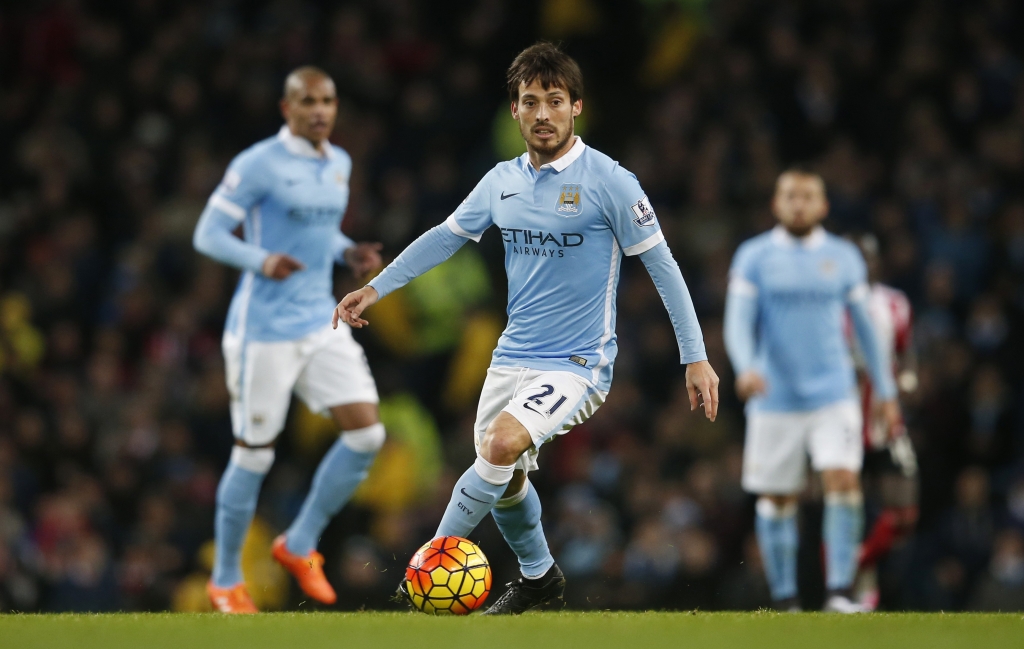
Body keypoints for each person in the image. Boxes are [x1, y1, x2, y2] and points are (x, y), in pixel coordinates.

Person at [334, 43, 720, 615]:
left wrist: (695, 355)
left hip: (578, 363)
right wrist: (377, 287)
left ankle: (426, 570)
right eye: (530, 101)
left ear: (576, 108)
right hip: (510, 357)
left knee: (501, 445)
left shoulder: (611, 181)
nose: (543, 113)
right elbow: (445, 237)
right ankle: (540, 579)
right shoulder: (500, 182)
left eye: (555, 101)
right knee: (505, 476)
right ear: (513, 111)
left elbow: (662, 265)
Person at [193, 66, 385, 613]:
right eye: (307, 101)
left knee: (367, 436)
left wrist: (347, 251)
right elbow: (206, 233)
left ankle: (299, 544)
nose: (320, 110)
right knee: (254, 456)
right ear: (287, 109)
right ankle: (226, 580)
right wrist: (262, 260)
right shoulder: (258, 164)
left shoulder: (339, 163)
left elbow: (320, 235)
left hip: (318, 323)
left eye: (327, 100)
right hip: (263, 334)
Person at [723, 169, 900, 613]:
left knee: (843, 481)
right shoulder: (754, 256)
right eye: (789, 196)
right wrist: (745, 368)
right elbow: (737, 321)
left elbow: (866, 329)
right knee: (777, 498)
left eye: (807, 196)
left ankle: (839, 593)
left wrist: (886, 390)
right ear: (775, 204)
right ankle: (785, 599)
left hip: (833, 394)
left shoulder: (844, 258)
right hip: (774, 397)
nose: (798, 203)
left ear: (823, 206)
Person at [849, 234, 919, 611]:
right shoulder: (834, 306)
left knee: (905, 513)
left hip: (887, 420)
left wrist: (907, 381)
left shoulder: (895, 303)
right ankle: (855, 591)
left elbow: (908, 355)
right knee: (846, 513)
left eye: (869, 257)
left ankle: (856, 565)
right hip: (844, 424)